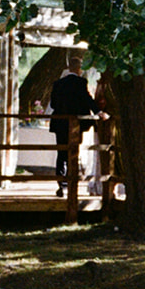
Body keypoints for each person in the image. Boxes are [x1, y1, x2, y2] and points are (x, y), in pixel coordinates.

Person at [48, 56, 99, 196]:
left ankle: (61, 183)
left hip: (60, 123)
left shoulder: (58, 83)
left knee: (61, 152)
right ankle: (71, 182)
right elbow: (87, 100)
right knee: (73, 151)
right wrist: (98, 112)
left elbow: (53, 104)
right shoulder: (81, 83)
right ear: (79, 69)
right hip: (76, 124)